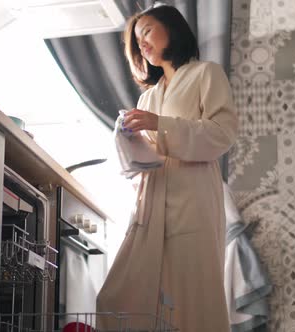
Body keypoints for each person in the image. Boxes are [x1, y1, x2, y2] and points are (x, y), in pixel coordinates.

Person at [96, 4, 237, 332]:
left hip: (193, 201)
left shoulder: (206, 73)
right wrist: (127, 142)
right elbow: (145, 159)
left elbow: (222, 135)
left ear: (172, 28)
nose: (141, 43)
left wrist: (161, 125)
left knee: (192, 298)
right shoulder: (147, 98)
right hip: (150, 205)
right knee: (119, 297)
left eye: (146, 31)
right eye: (137, 39)